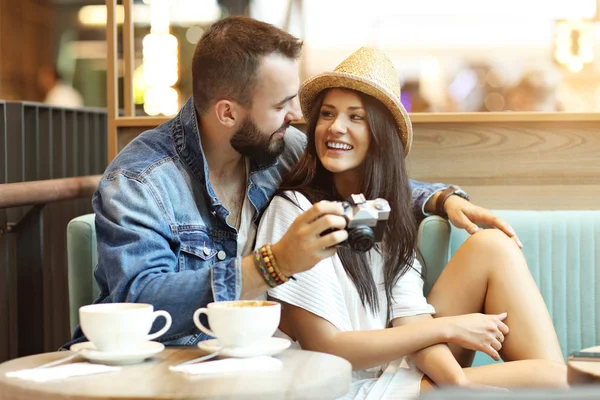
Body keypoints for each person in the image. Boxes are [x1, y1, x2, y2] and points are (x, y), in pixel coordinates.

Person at [66, 17, 522, 349]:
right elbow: (137, 306)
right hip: (168, 369)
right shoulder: (140, 181)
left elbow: (356, 171)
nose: (297, 116)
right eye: (283, 103)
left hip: (253, 365)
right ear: (228, 113)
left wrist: (439, 199)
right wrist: (272, 264)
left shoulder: (276, 147)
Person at [256, 47, 567, 399]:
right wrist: (450, 328)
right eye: (327, 114)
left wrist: (458, 382)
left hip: (392, 373)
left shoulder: (380, 214)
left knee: (493, 247)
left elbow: (411, 319)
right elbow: (327, 348)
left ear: (380, 135)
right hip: (342, 387)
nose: (335, 127)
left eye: (355, 117)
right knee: (554, 381)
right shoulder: (294, 210)